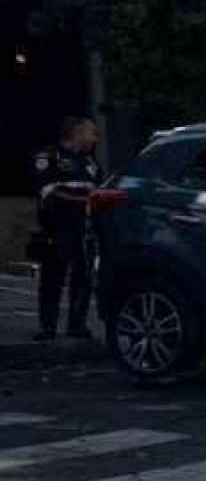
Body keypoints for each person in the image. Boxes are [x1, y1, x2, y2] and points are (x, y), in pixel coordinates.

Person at [31, 116, 101, 342]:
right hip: (56, 229)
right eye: (92, 132)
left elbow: (98, 194)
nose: (95, 137)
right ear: (77, 133)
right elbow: (48, 192)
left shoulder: (91, 163)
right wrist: (84, 199)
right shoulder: (49, 157)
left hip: (84, 231)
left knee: (84, 278)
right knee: (52, 279)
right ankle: (48, 328)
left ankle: (76, 326)